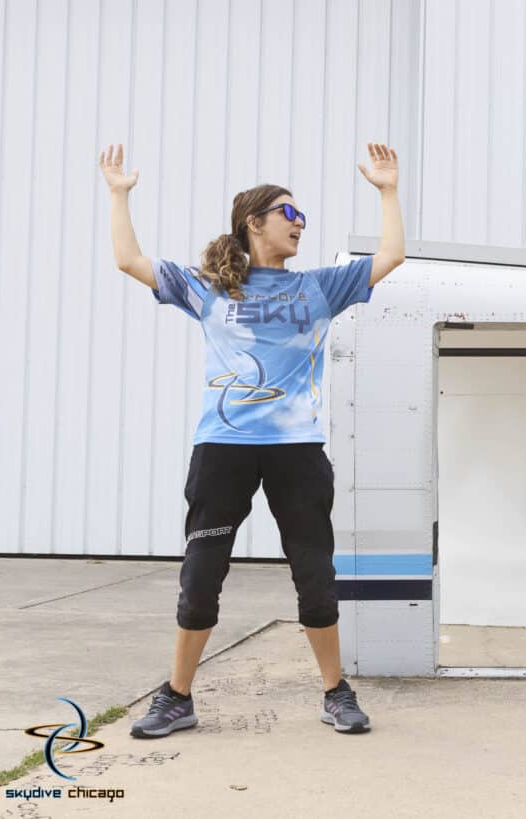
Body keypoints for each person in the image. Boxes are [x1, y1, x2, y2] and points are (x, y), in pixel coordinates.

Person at [98, 141, 405, 738]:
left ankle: (335, 691)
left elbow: (391, 254)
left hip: (297, 452)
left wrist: (388, 191)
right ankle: (177, 696)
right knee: (201, 574)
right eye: (289, 214)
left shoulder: (321, 286)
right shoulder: (209, 286)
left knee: (314, 572)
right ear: (254, 222)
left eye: (303, 217)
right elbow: (128, 259)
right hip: (223, 450)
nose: (300, 225)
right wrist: (118, 195)